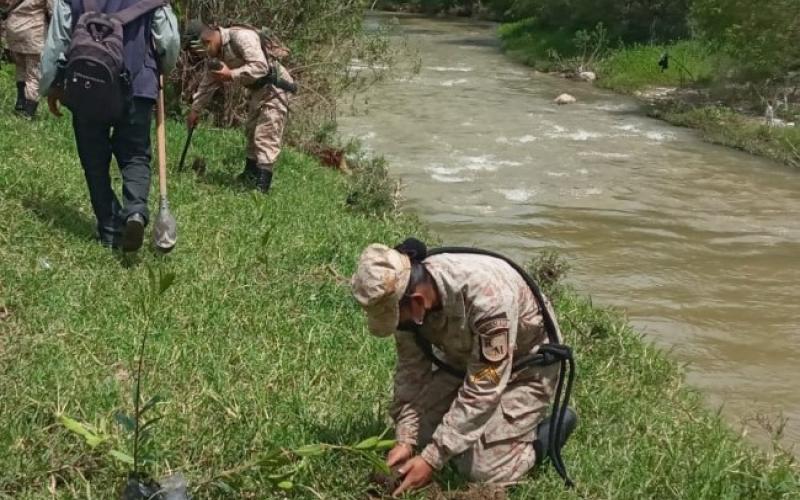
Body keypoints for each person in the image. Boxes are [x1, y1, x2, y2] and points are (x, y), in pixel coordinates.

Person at [351, 239, 571, 496]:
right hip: (464, 362)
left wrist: (432, 458)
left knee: (480, 470)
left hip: (523, 371)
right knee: (420, 434)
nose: (398, 327)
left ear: (418, 303)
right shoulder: (405, 303)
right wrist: (406, 439)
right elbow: (411, 371)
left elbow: (484, 385)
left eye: (398, 320)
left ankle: (549, 432)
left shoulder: (489, 301)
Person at [39, 0, 179, 251]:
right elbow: (168, 41)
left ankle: (111, 229)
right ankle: (135, 211)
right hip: (137, 85)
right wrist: (162, 69)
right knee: (135, 154)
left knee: (94, 160)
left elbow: (57, 41)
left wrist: (51, 86)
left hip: (88, 85)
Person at [182, 20, 294, 194]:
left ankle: (261, 187)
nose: (201, 55)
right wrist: (195, 110)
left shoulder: (241, 37)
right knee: (250, 131)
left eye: (198, 49)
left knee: (265, 134)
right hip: (257, 90)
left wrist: (231, 74)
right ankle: (249, 175)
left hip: (275, 87)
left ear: (206, 41)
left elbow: (261, 67)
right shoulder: (215, 55)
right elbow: (207, 83)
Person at [4, 0, 51, 118]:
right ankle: (28, 111)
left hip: (13, 29)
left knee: (20, 66)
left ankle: (20, 103)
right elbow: (52, 10)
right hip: (34, 31)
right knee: (33, 73)